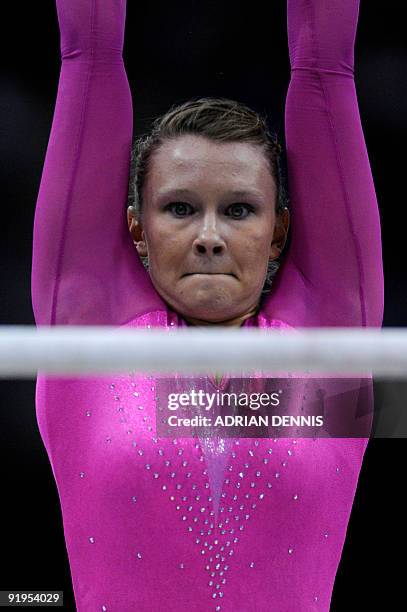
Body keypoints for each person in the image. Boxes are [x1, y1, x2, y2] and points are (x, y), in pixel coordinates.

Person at [31, 0, 383, 610]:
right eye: (180, 207)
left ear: (279, 231)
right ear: (137, 229)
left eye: (240, 209)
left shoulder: (331, 340)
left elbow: (326, 66)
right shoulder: (86, 331)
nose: (209, 235)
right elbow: (88, 50)